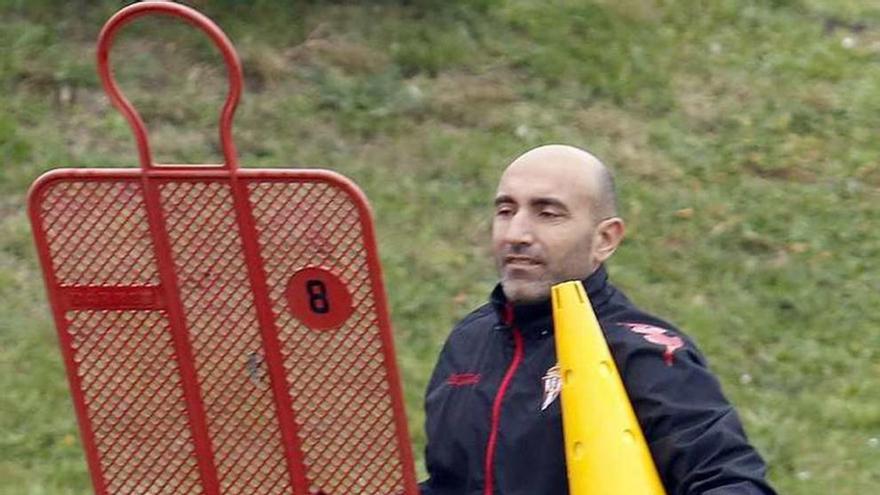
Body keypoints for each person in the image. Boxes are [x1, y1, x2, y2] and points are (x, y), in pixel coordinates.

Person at [418, 145, 777, 495]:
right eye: (506, 211)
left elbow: (731, 480)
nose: (516, 234)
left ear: (605, 239)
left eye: (548, 213)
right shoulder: (469, 341)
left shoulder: (644, 351)